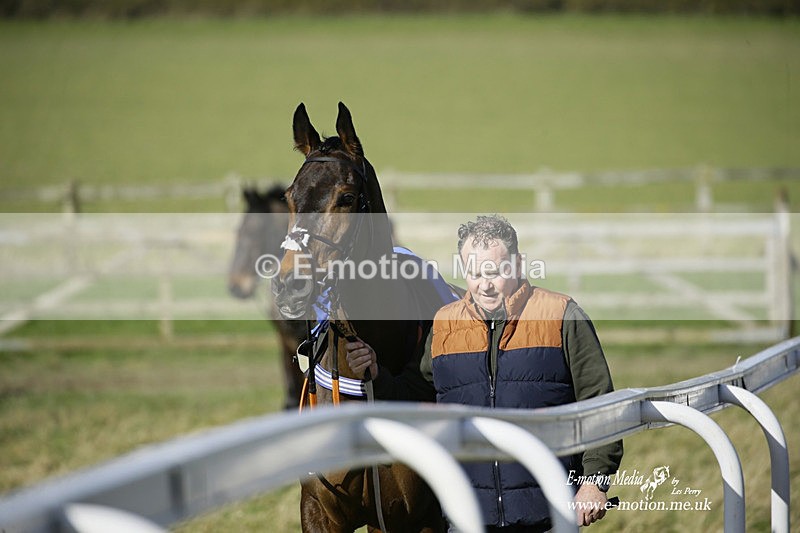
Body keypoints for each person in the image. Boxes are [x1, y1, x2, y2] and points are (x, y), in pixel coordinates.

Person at [346, 215, 623, 531]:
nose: (484, 284)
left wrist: (594, 483)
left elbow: (601, 405)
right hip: (466, 518)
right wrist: (376, 373)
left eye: (495, 271)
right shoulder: (445, 324)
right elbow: (414, 393)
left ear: (517, 266)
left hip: (550, 515)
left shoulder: (562, 316)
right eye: (474, 273)